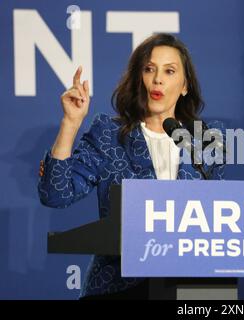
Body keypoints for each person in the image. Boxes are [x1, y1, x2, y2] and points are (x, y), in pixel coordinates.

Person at [38, 33, 225, 299]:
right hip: (120, 285)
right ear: (139, 78)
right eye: (149, 69)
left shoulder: (207, 141)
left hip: (190, 287)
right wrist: (71, 123)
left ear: (185, 86)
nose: (158, 79)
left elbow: (220, 215)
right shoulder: (108, 134)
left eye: (169, 71)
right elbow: (56, 195)